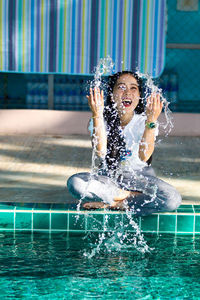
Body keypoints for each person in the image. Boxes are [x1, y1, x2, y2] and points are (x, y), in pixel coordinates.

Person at [67, 71, 182, 216]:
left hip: (140, 177)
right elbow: (101, 151)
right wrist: (97, 115)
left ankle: (116, 201)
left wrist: (151, 121)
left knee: (172, 199)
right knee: (75, 183)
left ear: (139, 95)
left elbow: (144, 157)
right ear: (111, 93)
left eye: (133, 88)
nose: (128, 92)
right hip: (108, 177)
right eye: (121, 87)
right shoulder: (99, 120)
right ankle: (125, 198)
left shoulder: (145, 121)